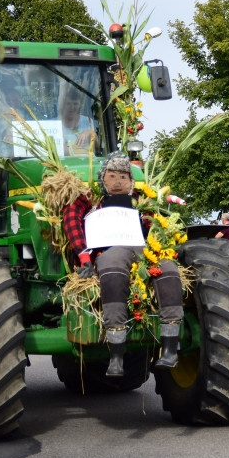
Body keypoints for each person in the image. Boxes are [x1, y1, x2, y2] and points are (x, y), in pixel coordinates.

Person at [62, 152, 182, 376]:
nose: (118, 182)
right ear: (102, 179)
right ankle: (116, 355)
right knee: (112, 269)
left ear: (131, 181)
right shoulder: (92, 200)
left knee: (168, 270)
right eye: (112, 176)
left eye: (124, 177)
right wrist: (85, 258)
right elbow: (71, 217)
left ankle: (170, 349)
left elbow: (157, 222)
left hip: (144, 249)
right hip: (111, 249)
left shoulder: (142, 200)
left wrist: (156, 227)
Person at [59, 84, 94, 156]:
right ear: (63, 104)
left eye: (75, 104)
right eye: (68, 103)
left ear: (80, 104)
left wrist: (90, 132)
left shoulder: (88, 122)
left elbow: (93, 147)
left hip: (83, 164)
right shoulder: (55, 123)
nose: (72, 107)